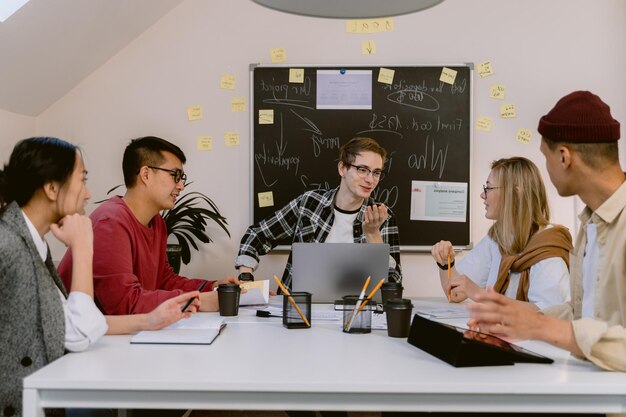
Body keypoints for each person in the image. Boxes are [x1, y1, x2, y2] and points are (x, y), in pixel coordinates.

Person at [0, 137, 200, 417]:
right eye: (81, 180)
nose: (88, 194)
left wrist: (150, 319)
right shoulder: (10, 246)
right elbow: (80, 332)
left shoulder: (30, 242)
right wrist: (82, 247)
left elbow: (66, 324)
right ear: (52, 188)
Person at [468, 90, 626, 372]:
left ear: (564, 157)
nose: (546, 168)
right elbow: (584, 315)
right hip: (590, 391)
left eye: (545, 156)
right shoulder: (590, 224)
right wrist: (513, 319)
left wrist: (540, 325)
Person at [58, 136, 238, 315]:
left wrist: (211, 287)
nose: (181, 185)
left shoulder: (157, 222)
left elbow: (164, 280)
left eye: (182, 177)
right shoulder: (111, 222)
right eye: (175, 176)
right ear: (146, 175)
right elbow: (124, 304)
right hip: (83, 337)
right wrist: (197, 300)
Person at [235, 136, 402, 288]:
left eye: (376, 172)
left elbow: (393, 286)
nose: (370, 179)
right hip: (300, 307)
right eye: (362, 169)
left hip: (356, 310)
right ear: (342, 168)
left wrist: (373, 235)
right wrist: (246, 277)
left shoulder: (381, 216)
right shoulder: (309, 203)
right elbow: (256, 235)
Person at [431, 157, 573, 311]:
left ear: (516, 193)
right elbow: (456, 294)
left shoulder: (549, 245)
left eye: (489, 188)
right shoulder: (497, 240)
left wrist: (481, 295)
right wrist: (446, 263)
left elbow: (550, 313)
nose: (483, 195)